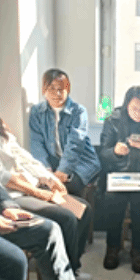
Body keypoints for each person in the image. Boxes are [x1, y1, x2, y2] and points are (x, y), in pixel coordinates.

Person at [0, 64, 93, 280]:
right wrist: (38, 192)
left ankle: (72, 270)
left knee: (81, 209)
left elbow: (19, 152)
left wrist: (48, 178)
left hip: (26, 186)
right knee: (66, 217)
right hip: (9, 196)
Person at [99, 86, 140, 273]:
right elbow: (103, 153)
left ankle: (138, 249)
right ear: (126, 106)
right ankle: (112, 246)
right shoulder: (113, 120)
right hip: (119, 173)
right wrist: (115, 152)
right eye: (134, 109)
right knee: (113, 198)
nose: (139, 113)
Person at [29, 68, 101, 197]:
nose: (57, 93)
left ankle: (80, 210)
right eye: (51, 88)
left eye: (61, 89)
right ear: (44, 90)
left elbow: (75, 144)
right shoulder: (36, 112)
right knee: (42, 187)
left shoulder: (79, 111)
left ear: (68, 90)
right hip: (54, 164)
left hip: (81, 162)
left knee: (67, 188)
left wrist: (63, 170)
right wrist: (45, 169)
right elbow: (36, 143)